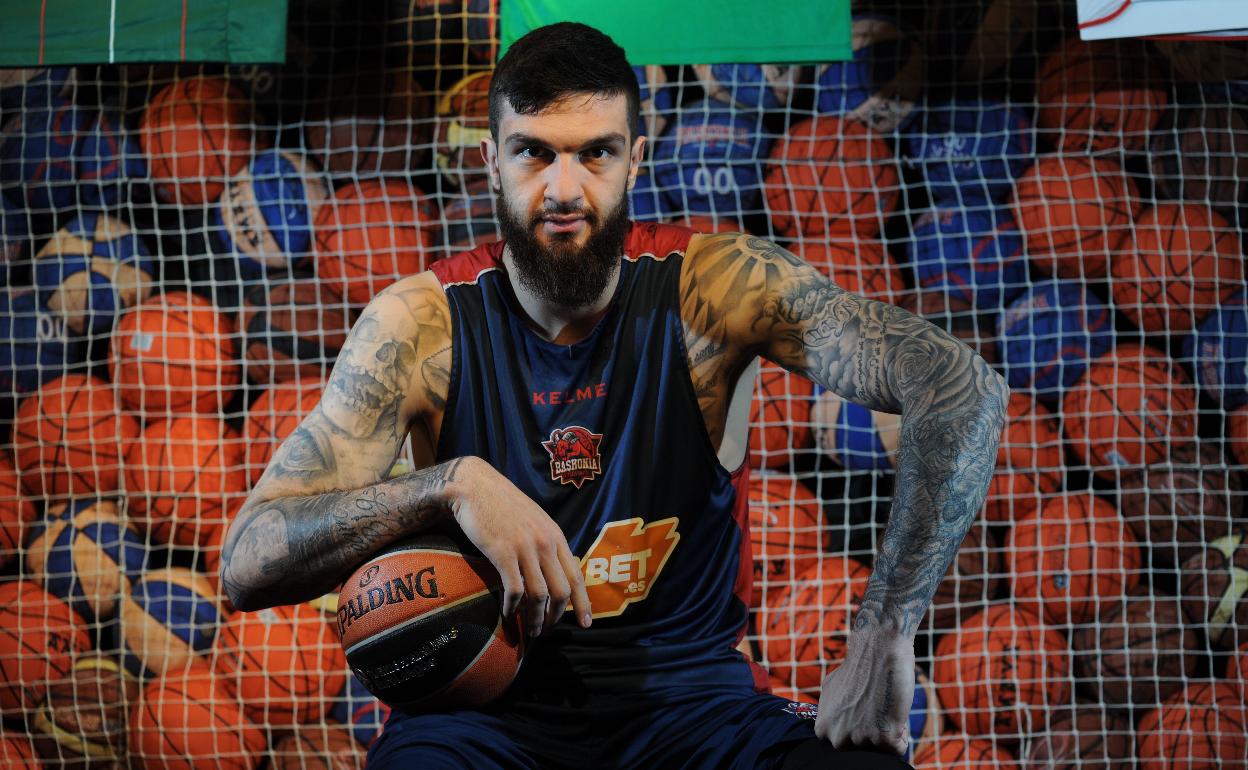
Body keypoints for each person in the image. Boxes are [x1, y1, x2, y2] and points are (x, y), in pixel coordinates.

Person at [220, 21, 1008, 770]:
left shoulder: (714, 287)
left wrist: (885, 631)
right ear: (491, 162)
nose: (565, 189)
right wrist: (448, 487)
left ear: (636, 159)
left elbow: (960, 385)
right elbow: (247, 562)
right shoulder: (423, 323)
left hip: (694, 707)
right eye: (534, 154)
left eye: (594, 154)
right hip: (477, 717)